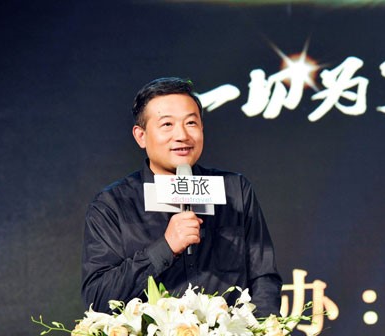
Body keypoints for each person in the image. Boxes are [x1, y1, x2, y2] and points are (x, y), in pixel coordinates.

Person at [81, 77, 282, 317]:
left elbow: (263, 278)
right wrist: (165, 247)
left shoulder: (234, 190)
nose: (182, 135)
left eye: (191, 123)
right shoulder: (112, 205)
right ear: (141, 136)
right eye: (167, 124)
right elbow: (98, 298)